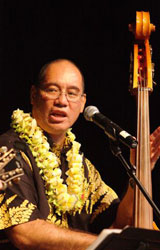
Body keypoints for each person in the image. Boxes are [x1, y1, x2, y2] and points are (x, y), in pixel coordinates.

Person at [0, 58, 159, 250]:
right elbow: (25, 233)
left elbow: (119, 222)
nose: (62, 101)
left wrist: (140, 170)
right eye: (52, 90)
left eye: (72, 93)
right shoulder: (8, 151)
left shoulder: (81, 166)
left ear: (83, 103)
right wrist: (106, 244)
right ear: (34, 95)